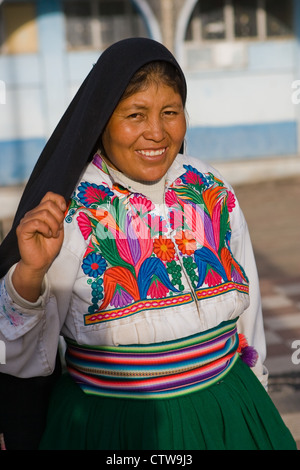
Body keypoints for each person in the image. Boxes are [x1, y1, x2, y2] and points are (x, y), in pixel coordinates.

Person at [0, 37, 296, 450]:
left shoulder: (211, 190)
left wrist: (254, 395)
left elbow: (250, 323)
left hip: (229, 416)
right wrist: (30, 273)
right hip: (113, 427)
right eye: (135, 115)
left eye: (170, 112)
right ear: (102, 120)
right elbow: (22, 360)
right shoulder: (71, 213)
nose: (156, 133)